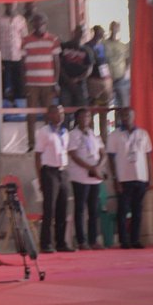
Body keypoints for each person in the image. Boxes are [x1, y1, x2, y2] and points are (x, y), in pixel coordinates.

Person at [106, 107, 152, 249]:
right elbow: (111, 158)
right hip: (124, 178)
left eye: (129, 115)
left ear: (134, 116)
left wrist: (150, 176)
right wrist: (115, 178)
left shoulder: (143, 133)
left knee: (137, 210)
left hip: (140, 177)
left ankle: (135, 239)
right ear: (120, 117)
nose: (126, 118)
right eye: (124, 115)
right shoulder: (115, 135)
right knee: (123, 210)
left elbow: (148, 155)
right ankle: (124, 240)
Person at [34, 104, 73, 254]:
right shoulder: (44, 132)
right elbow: (37, 156)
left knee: (63, 208)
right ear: (49, 115)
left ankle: (61, 242)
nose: (60, 116)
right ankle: (46, 243)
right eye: (57, 113)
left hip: (62, 171)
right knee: (49, 209)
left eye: (62, 113)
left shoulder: (65, 132)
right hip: (49, 172)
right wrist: (40, 178)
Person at [67, 107, 105, 250]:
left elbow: (103, 153)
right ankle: (82, 241)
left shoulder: (94, 134)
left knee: (94, 209)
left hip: (95, 176)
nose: (85, 119)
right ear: (77, 119)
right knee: (80, 209)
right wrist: (90, 168)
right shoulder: (73, 134)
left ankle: (93, 239)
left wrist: (98, 167)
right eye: (82, 117)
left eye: (88, 117)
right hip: (80, 176)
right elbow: (73, 155)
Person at [22, 13, 60, 150]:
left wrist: (56, 82)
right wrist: (24, 83)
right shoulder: (25, 40)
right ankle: (32, 144)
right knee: (31, 115)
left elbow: (57, 63)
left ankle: (47, 143)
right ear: (32, 24)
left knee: (48, 116)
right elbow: (22, 63)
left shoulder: (53, 39)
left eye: (41, 22)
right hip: (31, 84)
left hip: (48, 84)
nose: (38, 25)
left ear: (45, 23)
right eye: (36, 23)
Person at [0, 3, 28, 101]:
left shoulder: (21, 20)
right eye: (8, 4)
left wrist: (23, 55)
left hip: (17, 56)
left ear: (16, 5)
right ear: (5, 5)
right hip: (3, 57)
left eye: (12, 4)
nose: (10, 6)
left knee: (18, 83)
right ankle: (2, 106)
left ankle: (18, 106)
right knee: (2, 83)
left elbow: (24, 39)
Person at [59, 25, 94, 109]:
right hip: (64, 83)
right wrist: (68, 80)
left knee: (81, 110)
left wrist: (77, 79)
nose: (80, 34)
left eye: (83, 32)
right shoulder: (64, 46)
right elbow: (59, 65)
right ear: (74, 32)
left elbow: (89, 69)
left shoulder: (87, 50)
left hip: (80, 84)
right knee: (65, 110)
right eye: (79, 31)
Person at [86, 25, 113, 119]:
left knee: (104, 108)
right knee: (92, 106)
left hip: (105, 79)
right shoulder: (88, 46)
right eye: (99, 33)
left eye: (102, 33)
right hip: (93, 80)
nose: (101, 35)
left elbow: (106, 62)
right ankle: (91, 130)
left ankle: (104, 132)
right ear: (95, 33)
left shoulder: (103, 45)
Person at [104, 21, 130, 108]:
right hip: (106, 80)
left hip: (121, 79)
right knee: (107, 106)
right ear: (110, 28)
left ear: (119, 30)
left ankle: (121, 122)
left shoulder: (123, 46)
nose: (114, 29)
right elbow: (101, 61)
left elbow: (127, 61)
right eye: (113, 27)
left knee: (123, 105)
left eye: (116, 27)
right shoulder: (103, 44)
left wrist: (125, 74)